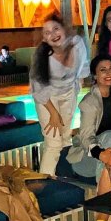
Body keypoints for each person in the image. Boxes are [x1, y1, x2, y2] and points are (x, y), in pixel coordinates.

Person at [66, 54, 111, 221]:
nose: (108, 73)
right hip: (87, 159)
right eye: (102, 70)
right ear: (95, 75)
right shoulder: (89, 102)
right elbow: (86, 138)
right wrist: (101, 154)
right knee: (110, 136)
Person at [30, 13, 89, 176]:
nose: (53, 34)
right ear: (44, 39)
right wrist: (53, 113)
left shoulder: (77, 44)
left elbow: (83, 66)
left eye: (56, 28)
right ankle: (45, 183)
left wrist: (78, 86)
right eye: (47, 32)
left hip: (68, 93)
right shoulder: (41, 57)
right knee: (54, 143)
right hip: (47, 98)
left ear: (63, 29)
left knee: (65, 138)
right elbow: (38, 90)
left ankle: (63, 177)